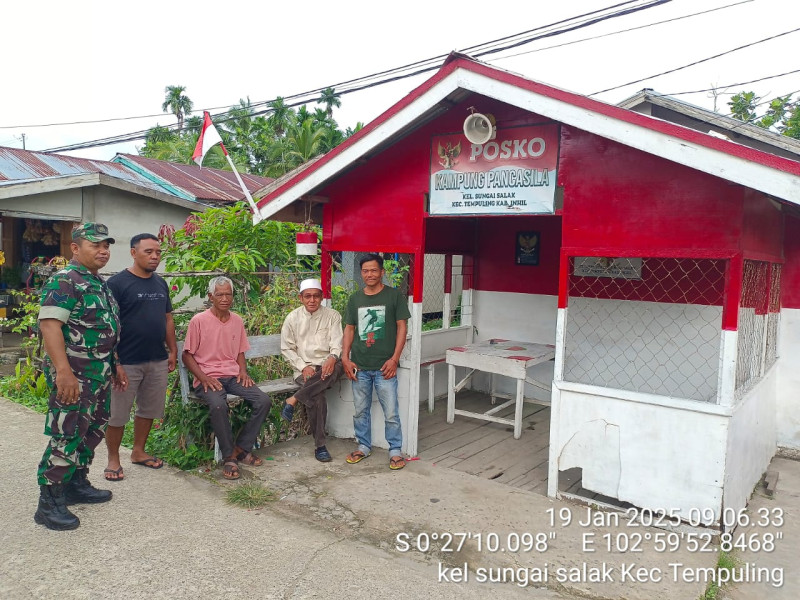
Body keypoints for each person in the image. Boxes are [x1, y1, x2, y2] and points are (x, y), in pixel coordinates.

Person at [35, 222, 121, 530]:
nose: (103, 250)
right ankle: (49, 502)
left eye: (106, 246)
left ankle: (75, 483)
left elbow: (103, 329)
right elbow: (50, 326)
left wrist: (116, 364)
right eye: (95, 245)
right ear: (75, 248)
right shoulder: (65, 280)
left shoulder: (97, 282)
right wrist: (63, 372)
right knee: (67, 432)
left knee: (92, 430)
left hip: (99, 375)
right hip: (75, 376)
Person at [103, 233, 178, 481]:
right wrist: (115, 361)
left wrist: (173, 350)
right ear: (134, 252)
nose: (154, 256)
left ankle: (138, 451)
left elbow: (167, 318)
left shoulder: (160, 284)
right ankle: (113, 459)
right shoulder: (117, 284)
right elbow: (108, 325)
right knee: (118, 413)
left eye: (157, 252)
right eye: (148, 251)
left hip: (156, 359)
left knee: (149, 409)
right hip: (126, 361)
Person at [182, 276, 271, 480]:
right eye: (220, 294)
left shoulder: (236, 320)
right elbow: (186, 355)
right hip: (208, 378)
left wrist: (242, 371)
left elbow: (240, 351)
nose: (224, 298)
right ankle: (229, 456)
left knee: (263, 400)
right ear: (210, 296)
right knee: (219, 405)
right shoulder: (199, 321)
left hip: (232, 375)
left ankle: (241, 447)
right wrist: (203, 377)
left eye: (228, 294)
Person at [341, 254, 411, 470]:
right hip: (360, 366)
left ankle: (395, 450)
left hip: (385, 367)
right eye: (365, 271)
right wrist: (345, 357)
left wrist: (394, 359)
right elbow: (350, 329)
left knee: (391, 412)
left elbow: (402, 327)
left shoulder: (393, 296)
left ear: (382, 272)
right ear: (361, 273)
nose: (369, 274)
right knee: (360, 411)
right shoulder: (355, 299)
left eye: (374, 270)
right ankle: (363, 446)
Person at [280, 278, 343, 462]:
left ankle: (294, 399)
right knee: (316, 397)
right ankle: (320, 446)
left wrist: (332, 358)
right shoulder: (292, 318)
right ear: (301, 298)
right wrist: (303, 367)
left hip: (329, 365)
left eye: (316, 296)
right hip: (304, 367)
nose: (312, 300)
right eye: (308, 296)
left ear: (322, 297)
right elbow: (287, 348)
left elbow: (337, 344)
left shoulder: (333, 316)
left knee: (331, 370)